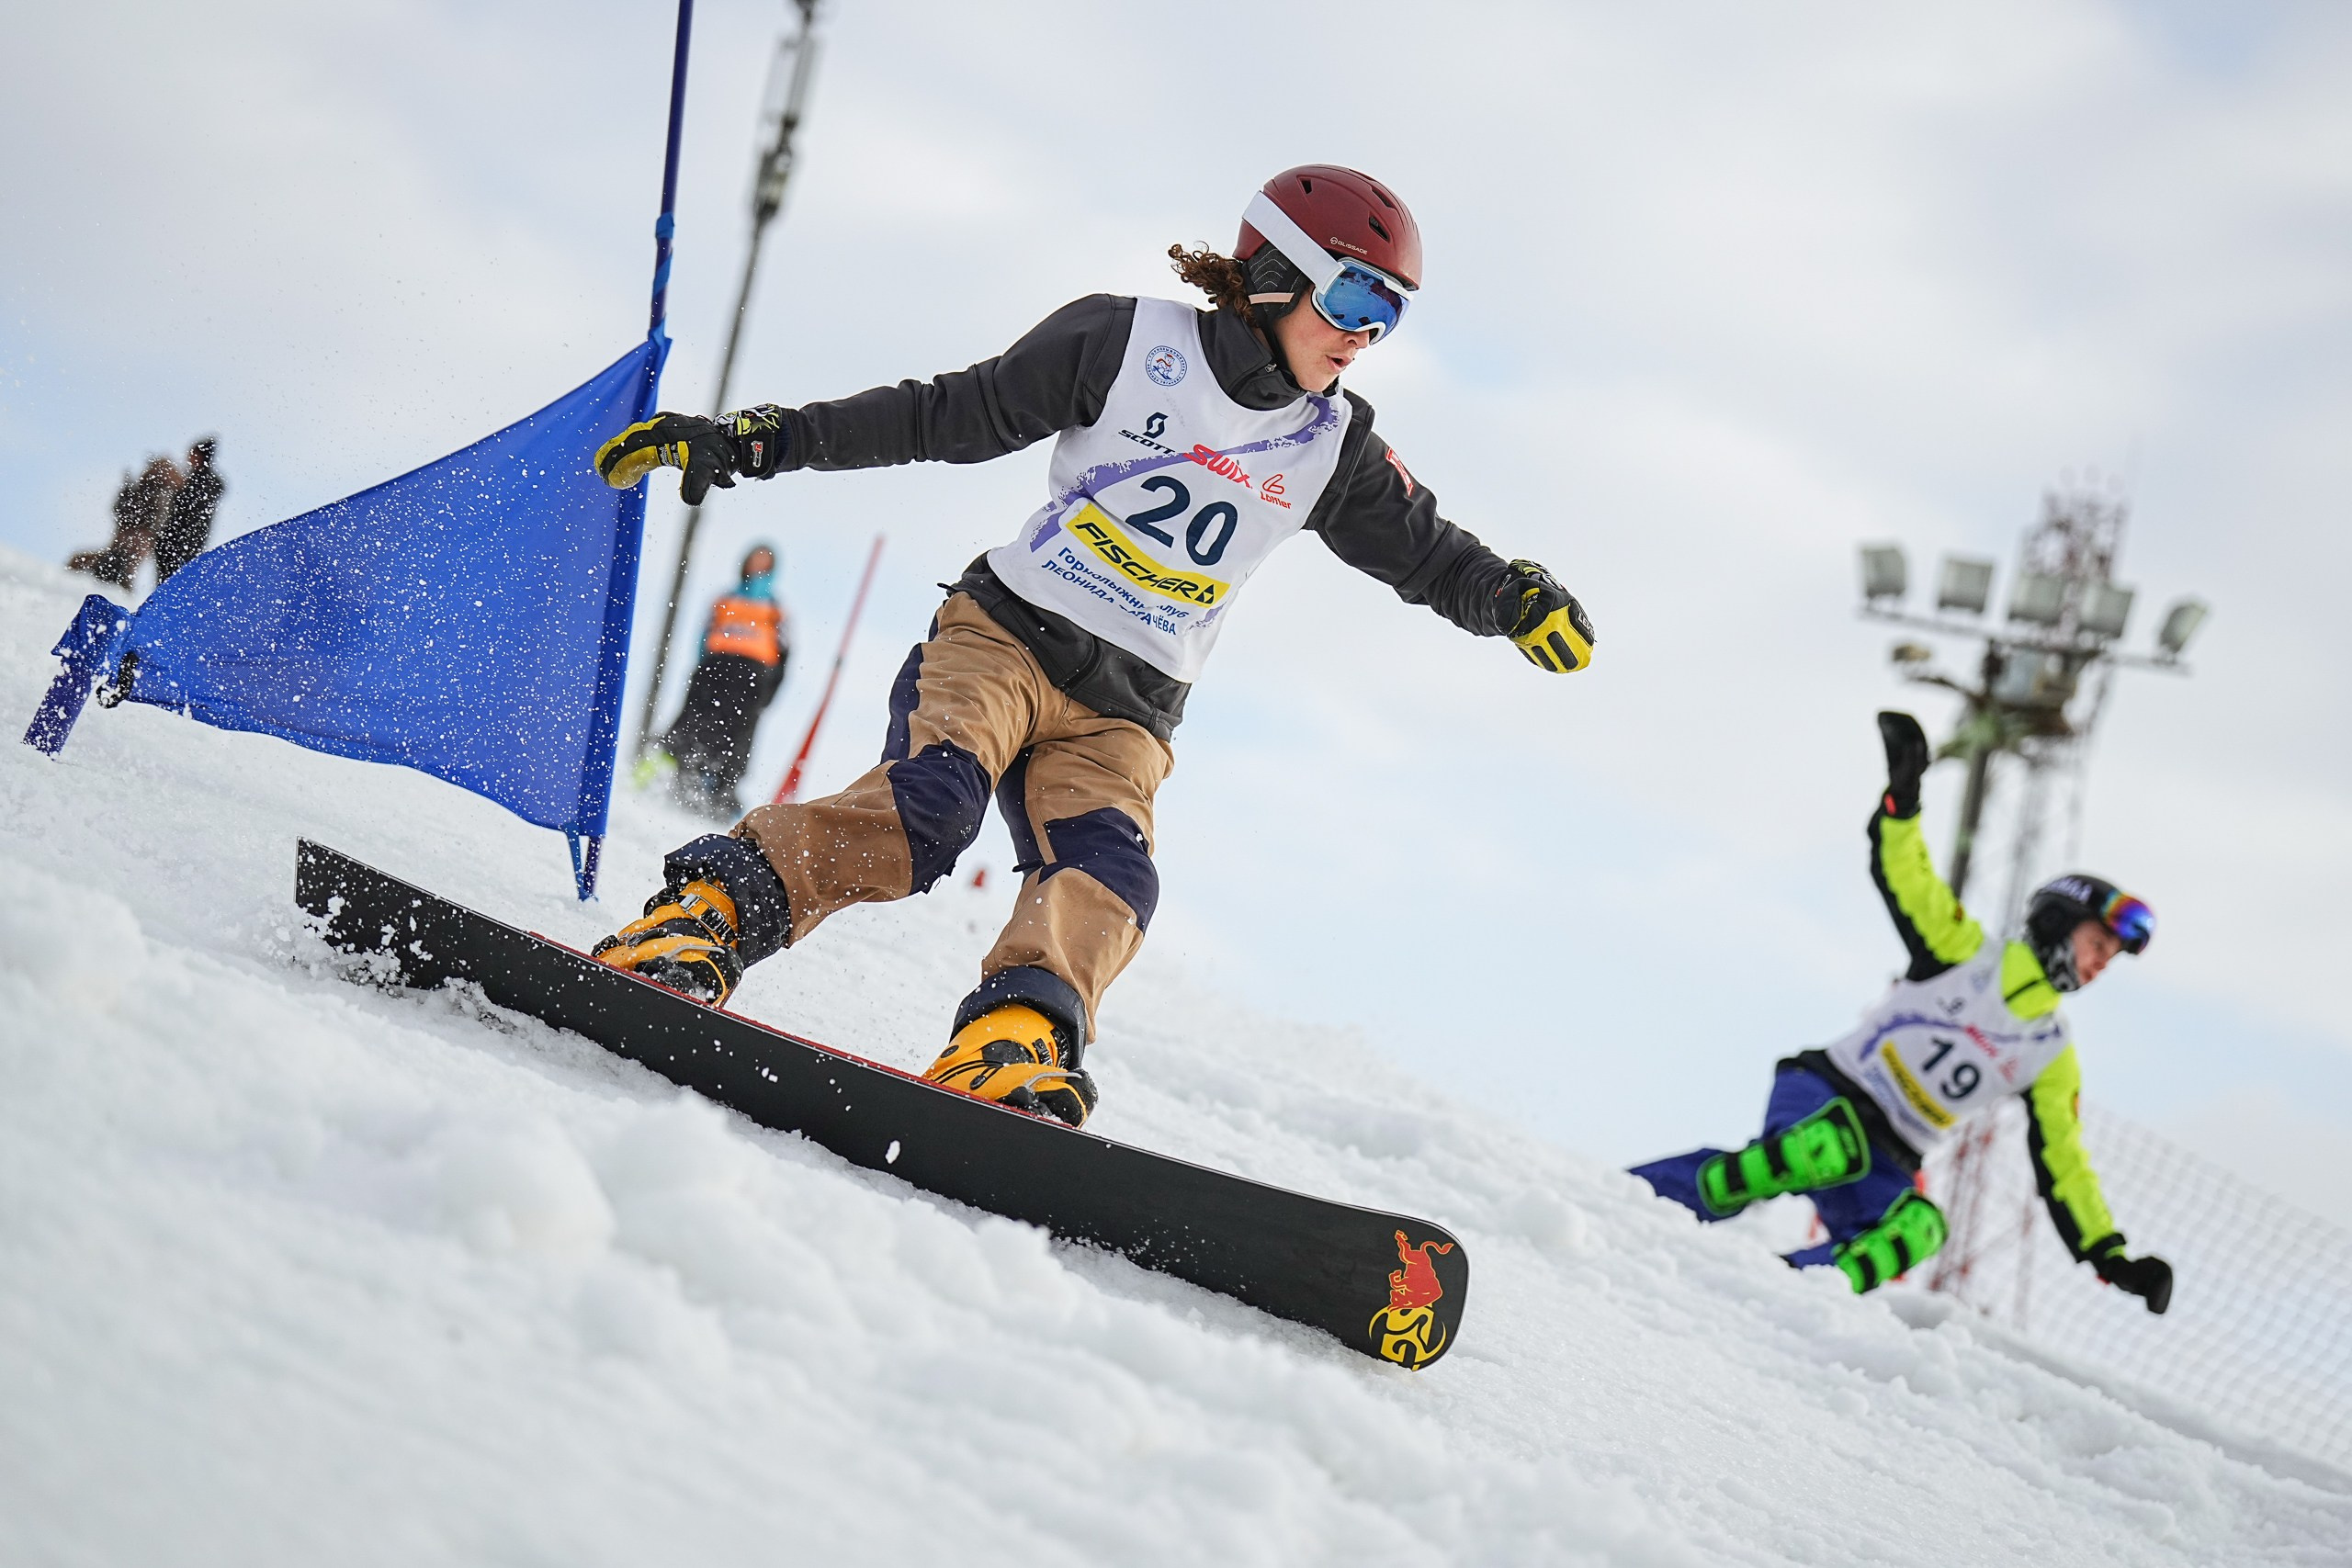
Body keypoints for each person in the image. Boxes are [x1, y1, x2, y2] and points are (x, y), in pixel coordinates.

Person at [586, 164, 1597, 1128]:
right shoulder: (1124, 345)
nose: (1363, 336)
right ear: (1276, 275)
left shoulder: (1330, 445)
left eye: (1390, 315)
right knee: (929, 809)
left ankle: (1014, 1037)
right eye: (1350, 300)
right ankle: (706, 914)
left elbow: (1428, 555)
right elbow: (945, 412)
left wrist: (1510, 597)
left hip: (1130, 709)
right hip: (1009, 636)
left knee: (1112, 873)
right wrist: (762, 439)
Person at [1629, 711, 2174, 1313]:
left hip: (1890, 1154)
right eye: (2098, 945)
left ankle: (1767, 1298)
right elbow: (1908, 877)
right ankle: (1631, 1200)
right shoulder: (1968, 952)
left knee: (1918, 1228)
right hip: (1824, 1092)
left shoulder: (2050, 1053)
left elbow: (2065, 1164)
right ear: (2060, 923)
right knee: (1820, 1149)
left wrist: (2111, 1256)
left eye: (2110, 957)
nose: (2100, 965)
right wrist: (1903, 797)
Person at [650, 544, 791, 819]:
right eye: (754, 560)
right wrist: (702, 667)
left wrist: (770, 693)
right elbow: (704, 638)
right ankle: (684, 778)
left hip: (752, 678)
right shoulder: (725, 600)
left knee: (738, 735)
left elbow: (784, 653)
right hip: (716, 670)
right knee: (696, 723)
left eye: (764, 562)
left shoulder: (776, 610)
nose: (757, 567)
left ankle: (722, 790)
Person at [69, 455, 181, 591]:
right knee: (113, 567)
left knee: (118, 570)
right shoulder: (150, 491)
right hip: (131, 536)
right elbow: (120, 510)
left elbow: (149, 519)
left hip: (136, 536)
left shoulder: (162, 495)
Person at [154, 437, 226, 584]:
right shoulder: (195, 479)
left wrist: (180, 485)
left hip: (184, 541)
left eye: (193, 454)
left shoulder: (206, 482)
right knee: (168, 580)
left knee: (173, 581)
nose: (189, 457)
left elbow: (193, 505)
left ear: (201, 456)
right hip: (175, 540)